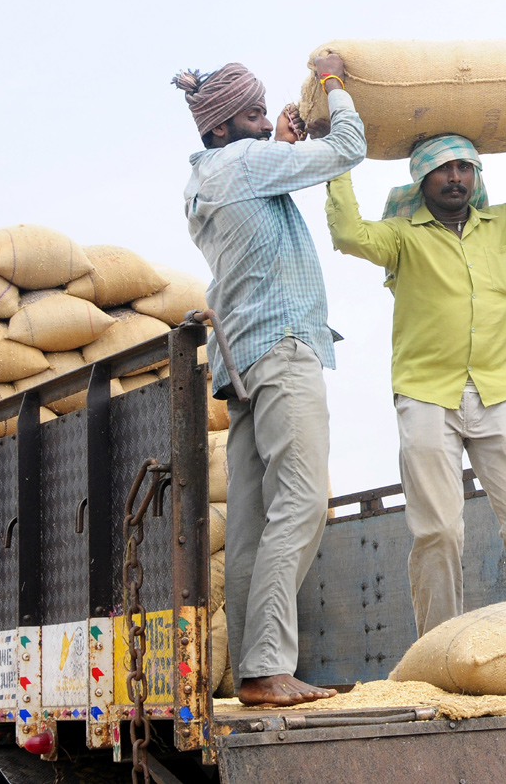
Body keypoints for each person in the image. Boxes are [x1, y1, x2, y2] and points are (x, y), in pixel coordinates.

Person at [326, 134, 506, 637]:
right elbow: (346, 233)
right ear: (421, 180)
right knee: (439, 532)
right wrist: (338, 163)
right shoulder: (402, 236)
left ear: (477, 176)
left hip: (499, 395)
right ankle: (440, 652)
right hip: (426, 396)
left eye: (465, 168)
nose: (456, 178)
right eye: (443, 169)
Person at [172, 56, 365, 705]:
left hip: (241, 361)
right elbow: (348, 147)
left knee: (253, 522)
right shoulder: (248, 165)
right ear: (223, 127)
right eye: (253, 114)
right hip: (282, 349)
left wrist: (276, 144)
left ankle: (257, 673)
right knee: (304, 500)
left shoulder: (209, 178)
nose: (265, 121)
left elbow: (260, 199)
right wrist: (334, 86)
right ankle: (269, 664)